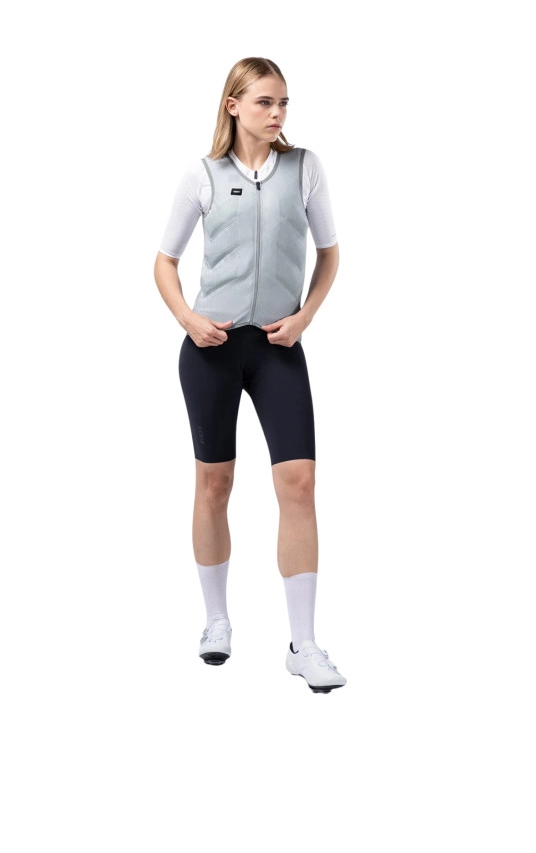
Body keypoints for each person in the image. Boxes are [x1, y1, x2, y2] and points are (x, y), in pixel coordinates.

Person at [153, 57, 346, 694]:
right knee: (215, 485)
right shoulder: (203, 175)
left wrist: (305, 317)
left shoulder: (304, 168)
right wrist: (188, 319)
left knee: (299, 483)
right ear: (234, 106)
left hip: (277, 346)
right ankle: (216, 621)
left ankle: (304, 644)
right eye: (265, 102)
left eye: (284, 102)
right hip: (210, 349)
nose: (278, 113)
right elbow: (164, 261)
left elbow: (329, 253)